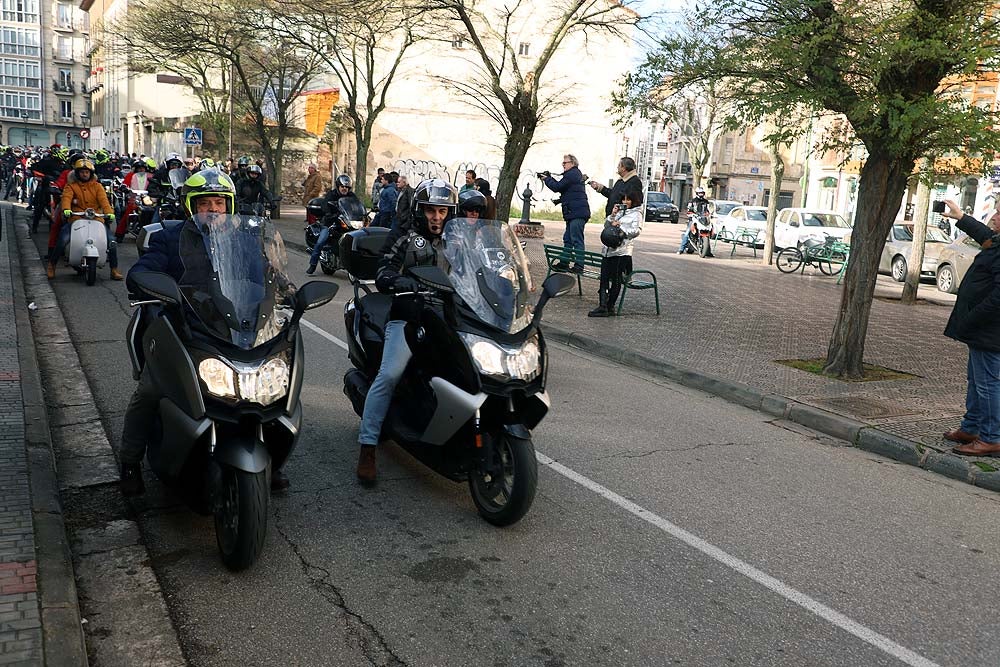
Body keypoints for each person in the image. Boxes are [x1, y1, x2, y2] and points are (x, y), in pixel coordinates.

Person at [119, 169, 291, 495]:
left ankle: (272, 460)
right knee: (149, 391)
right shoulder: (171, 238)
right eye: (204, 203)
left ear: (228, 206)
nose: (212, 209)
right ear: (191, 206)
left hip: (234, 328)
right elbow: (143, 271)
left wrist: (285, 288)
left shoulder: (244, 240)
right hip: (184, 327)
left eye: (219, 203)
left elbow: (266, 276)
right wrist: (150, 283)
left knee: (270, 388)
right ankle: (129, 461)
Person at [356, 179, 457, 483]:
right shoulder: (404, 236)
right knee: (389, 374)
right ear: (419, 211)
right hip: (410, 316)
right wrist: (399, 282)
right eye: (430, 211)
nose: (437, 217)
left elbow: (477, 269)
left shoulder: (458, 239)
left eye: (442, 210)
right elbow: (384, 270)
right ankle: (368, 446)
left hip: (450, 317)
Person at [935, 199, 1000, 457]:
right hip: (982, 331)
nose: (994, 216)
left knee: (989, 385)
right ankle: (971, 428)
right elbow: (985, 236)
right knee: (977, 381)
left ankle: (992, 437)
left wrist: (972, 318)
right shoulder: (996, 242)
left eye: (999, 212)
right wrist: (960, 217)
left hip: (989, 331)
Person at [51, 157, 119, 280]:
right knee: (62, 240)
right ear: (77, 173)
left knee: (112, 241)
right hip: (76, 218)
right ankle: (52, 266)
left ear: (91, 173)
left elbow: (104, 201)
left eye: (87, 172)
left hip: (97, 219)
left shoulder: (98, 186)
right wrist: (66, 209)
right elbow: (66, 198)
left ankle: (114, 269)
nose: (84, 174)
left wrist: (109, 212)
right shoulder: (70, 186)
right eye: (82, 172)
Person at [589, 192, 643, 317]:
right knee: (604, 278)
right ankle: (602, 306)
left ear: (633, 201)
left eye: (628, 199)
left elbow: (637, 231)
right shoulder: (619, 212)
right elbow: (606, 226)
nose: (625, 202)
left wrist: (621, 229)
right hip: (608, 250)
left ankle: (610, 306)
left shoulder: (636, 214)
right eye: (623, 199)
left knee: (616, 279)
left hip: (621, 251)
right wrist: (612, 215)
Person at [542, 154, 591, 273]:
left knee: (576, 239)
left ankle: (579, 266)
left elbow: (557, 187)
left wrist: (546, 179)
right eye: (562, 163)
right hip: (573, 212)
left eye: (565, 162)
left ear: (573, 163)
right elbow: (566, 190)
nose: (563, 164)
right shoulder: (572, 175)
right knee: (568, 239)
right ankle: (564, 262)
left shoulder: (572, 174)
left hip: (577, 213)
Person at [306, 174, 355, 274]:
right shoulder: (332, 194)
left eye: (347, 187)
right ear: (338, 186)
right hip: (331, 222)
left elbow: (357, 204)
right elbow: (325, 205)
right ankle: (313, 264)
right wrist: (328, 213)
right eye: (342, 187)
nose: (344, 189)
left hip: (345, 222)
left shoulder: (351, 196)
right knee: (321, 241)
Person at [679, 186, 712, 254]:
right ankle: (681, 249)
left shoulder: (706, 202)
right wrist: (690, 213)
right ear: (697, 193)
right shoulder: (693, 201)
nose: (701, 194)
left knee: (709, 231)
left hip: (703, 219)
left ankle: (708, 251)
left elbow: (708, 210)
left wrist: (709, 214)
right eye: (699, 193)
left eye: (702, 193)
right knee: (687, 233)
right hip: (693, 219)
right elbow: (689, 210)